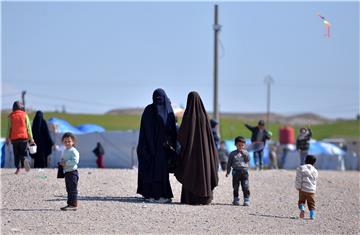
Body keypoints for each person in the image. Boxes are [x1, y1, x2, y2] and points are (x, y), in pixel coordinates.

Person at [175, 91, 219, 205]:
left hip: (191, 152)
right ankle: (204, 198)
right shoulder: (204, 116)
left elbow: (182, 135)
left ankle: (190, 198)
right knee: (204, 169)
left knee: (191, 171)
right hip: (205, 152)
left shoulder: (188, 116)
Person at [137, 88, 177, 203]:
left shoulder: (167, 111)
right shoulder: (150, 110)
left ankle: (161, 194)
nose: (158, 102)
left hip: (162, 149)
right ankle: (150, 194)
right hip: (149, 148)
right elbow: (144, 131)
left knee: (160, 172)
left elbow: (172, 131)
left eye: (160, 99)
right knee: (151, 171)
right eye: (156, 99)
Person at [6, 101, 34, 174]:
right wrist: (31, 138)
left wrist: (7, 138)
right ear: (21, 108)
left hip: (14, 139)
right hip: (24, 138)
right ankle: (25, 159)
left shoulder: (11, 116)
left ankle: (18, 169)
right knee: (24, 153)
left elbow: (9, 128)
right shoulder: (25, 115)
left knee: (16, 154)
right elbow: (28, 127)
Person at [226, 136, 250, 206]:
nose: (240, 147)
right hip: (236, 171)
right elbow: (229, 163)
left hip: (244, 171)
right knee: (235, 186)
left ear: (244, 145)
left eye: (242, 145)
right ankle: (236, 199)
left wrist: (244, 154)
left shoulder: (246, 152)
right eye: (239, 145)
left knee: (245, 186)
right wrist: (228, 171)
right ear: (235, 145)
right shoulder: (232, 154)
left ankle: (246, 199)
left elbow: (248, 160)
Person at [59, 132, 80, 211]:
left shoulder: (74, 151)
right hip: (67, 172)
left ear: (73, 142)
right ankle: (69, 204)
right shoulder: (65, 150)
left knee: (72, 189)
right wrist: (62, 162)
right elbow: (65, 159)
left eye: (69, 141)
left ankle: (73, 204)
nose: (67, 143)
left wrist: (66, 163)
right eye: (65, 141)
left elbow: (75, 161)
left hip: (72, 172)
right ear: (63, 142)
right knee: (68, 189)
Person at [295, 155, 318, 220]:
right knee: (311, 203)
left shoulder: (301, 168)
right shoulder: (315, 171)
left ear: (305, 160)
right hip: (311, 190)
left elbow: (298, 179)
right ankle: (312, 215)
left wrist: (298, 187)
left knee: (301, 201)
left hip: (303, 189)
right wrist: (314, 189)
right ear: (314, 162)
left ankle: (302, 208)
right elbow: (315, 181)